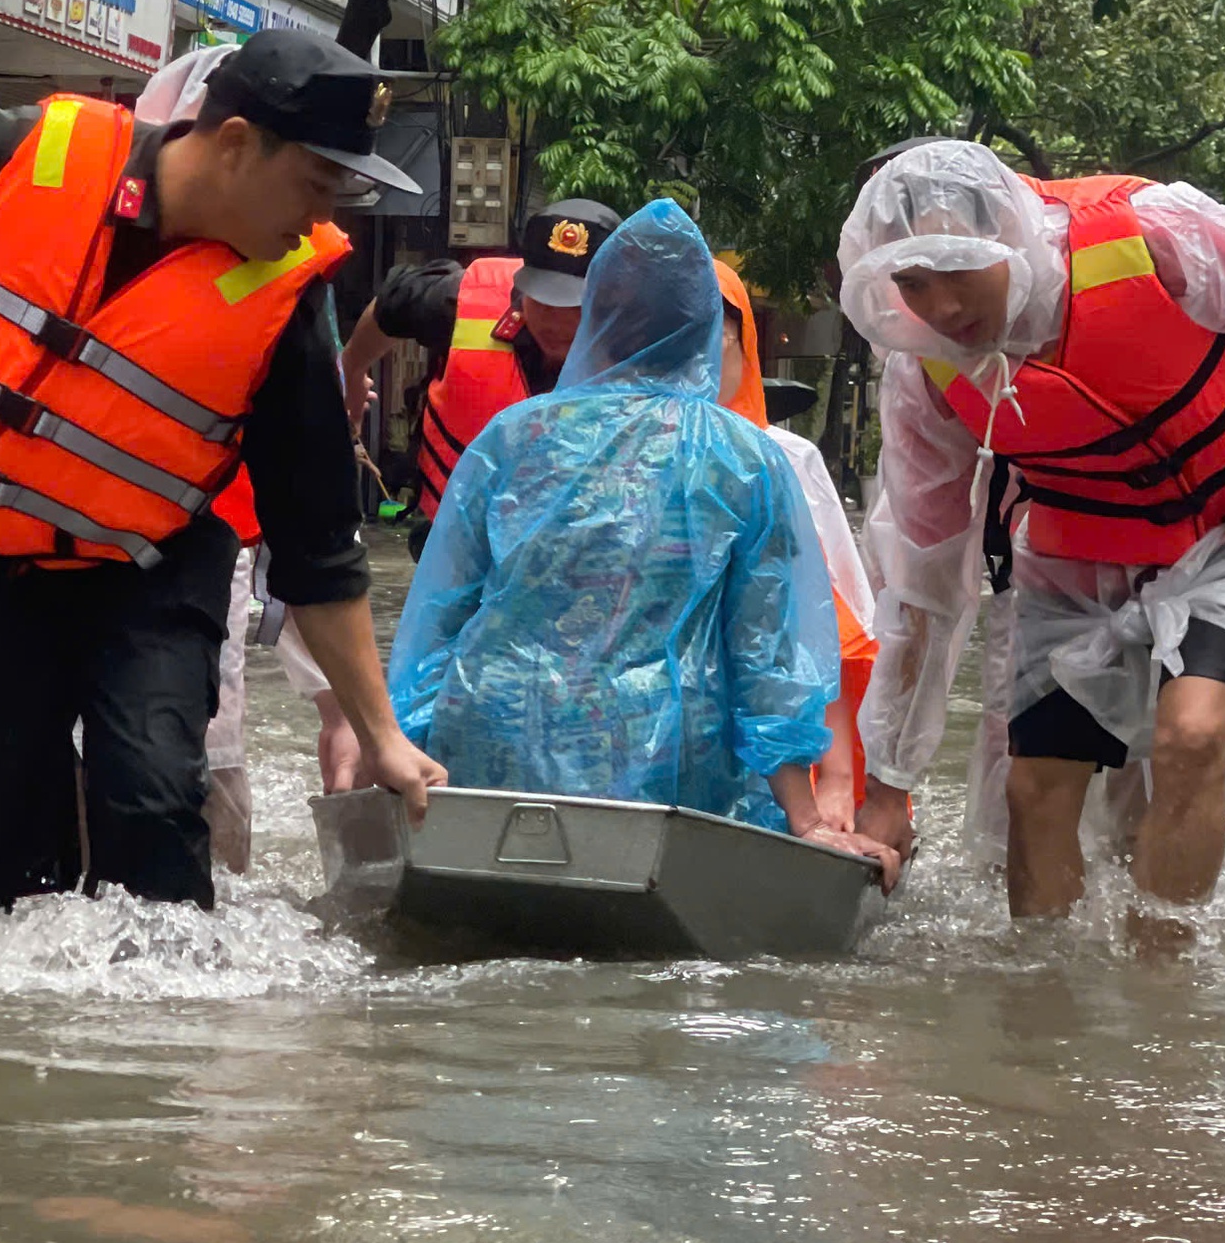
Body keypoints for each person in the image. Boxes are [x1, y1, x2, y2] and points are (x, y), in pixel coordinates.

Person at [0, 28, 446, 914]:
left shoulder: (288, 300)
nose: (327, 219)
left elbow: (319, 545)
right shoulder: (14, 156)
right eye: (319, 185)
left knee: (155, 810)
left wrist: (379, 733)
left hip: (155, 572)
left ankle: (156, 1031)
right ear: (240, 143)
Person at [838, 140, 1225, 917]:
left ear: (1006, 229)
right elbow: (925, 581)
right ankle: (1042, 1001)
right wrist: (889, 788)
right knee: (1034, 784)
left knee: (1191, 737)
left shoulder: (1159, 234)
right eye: (912, 282)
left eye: (956, 267)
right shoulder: (925, 374)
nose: (941, 308)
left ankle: (1162, 993)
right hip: (1079, 549)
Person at [385, 200, 898, 879]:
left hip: (488, 740)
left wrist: (399, 751)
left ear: (598, 316)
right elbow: (766, 654)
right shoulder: (745, 457)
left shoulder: (510, 437)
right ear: (704, 326)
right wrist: (807, 822)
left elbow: (437, 617)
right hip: (659, 770)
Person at [336, 197, 624, 557]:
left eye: (573, 306)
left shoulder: (643, 339)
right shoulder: (457, 301)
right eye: (541, 299)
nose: (555, 320)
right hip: (455, 537)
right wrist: (350, 374)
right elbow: (390, 307)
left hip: (579, 549)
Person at [712, 260, 877, 830]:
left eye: (717, 339)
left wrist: (837, 777)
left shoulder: (785, 461)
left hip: (779, 750)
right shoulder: (592, 452)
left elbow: (831, 632)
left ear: (744, 346)